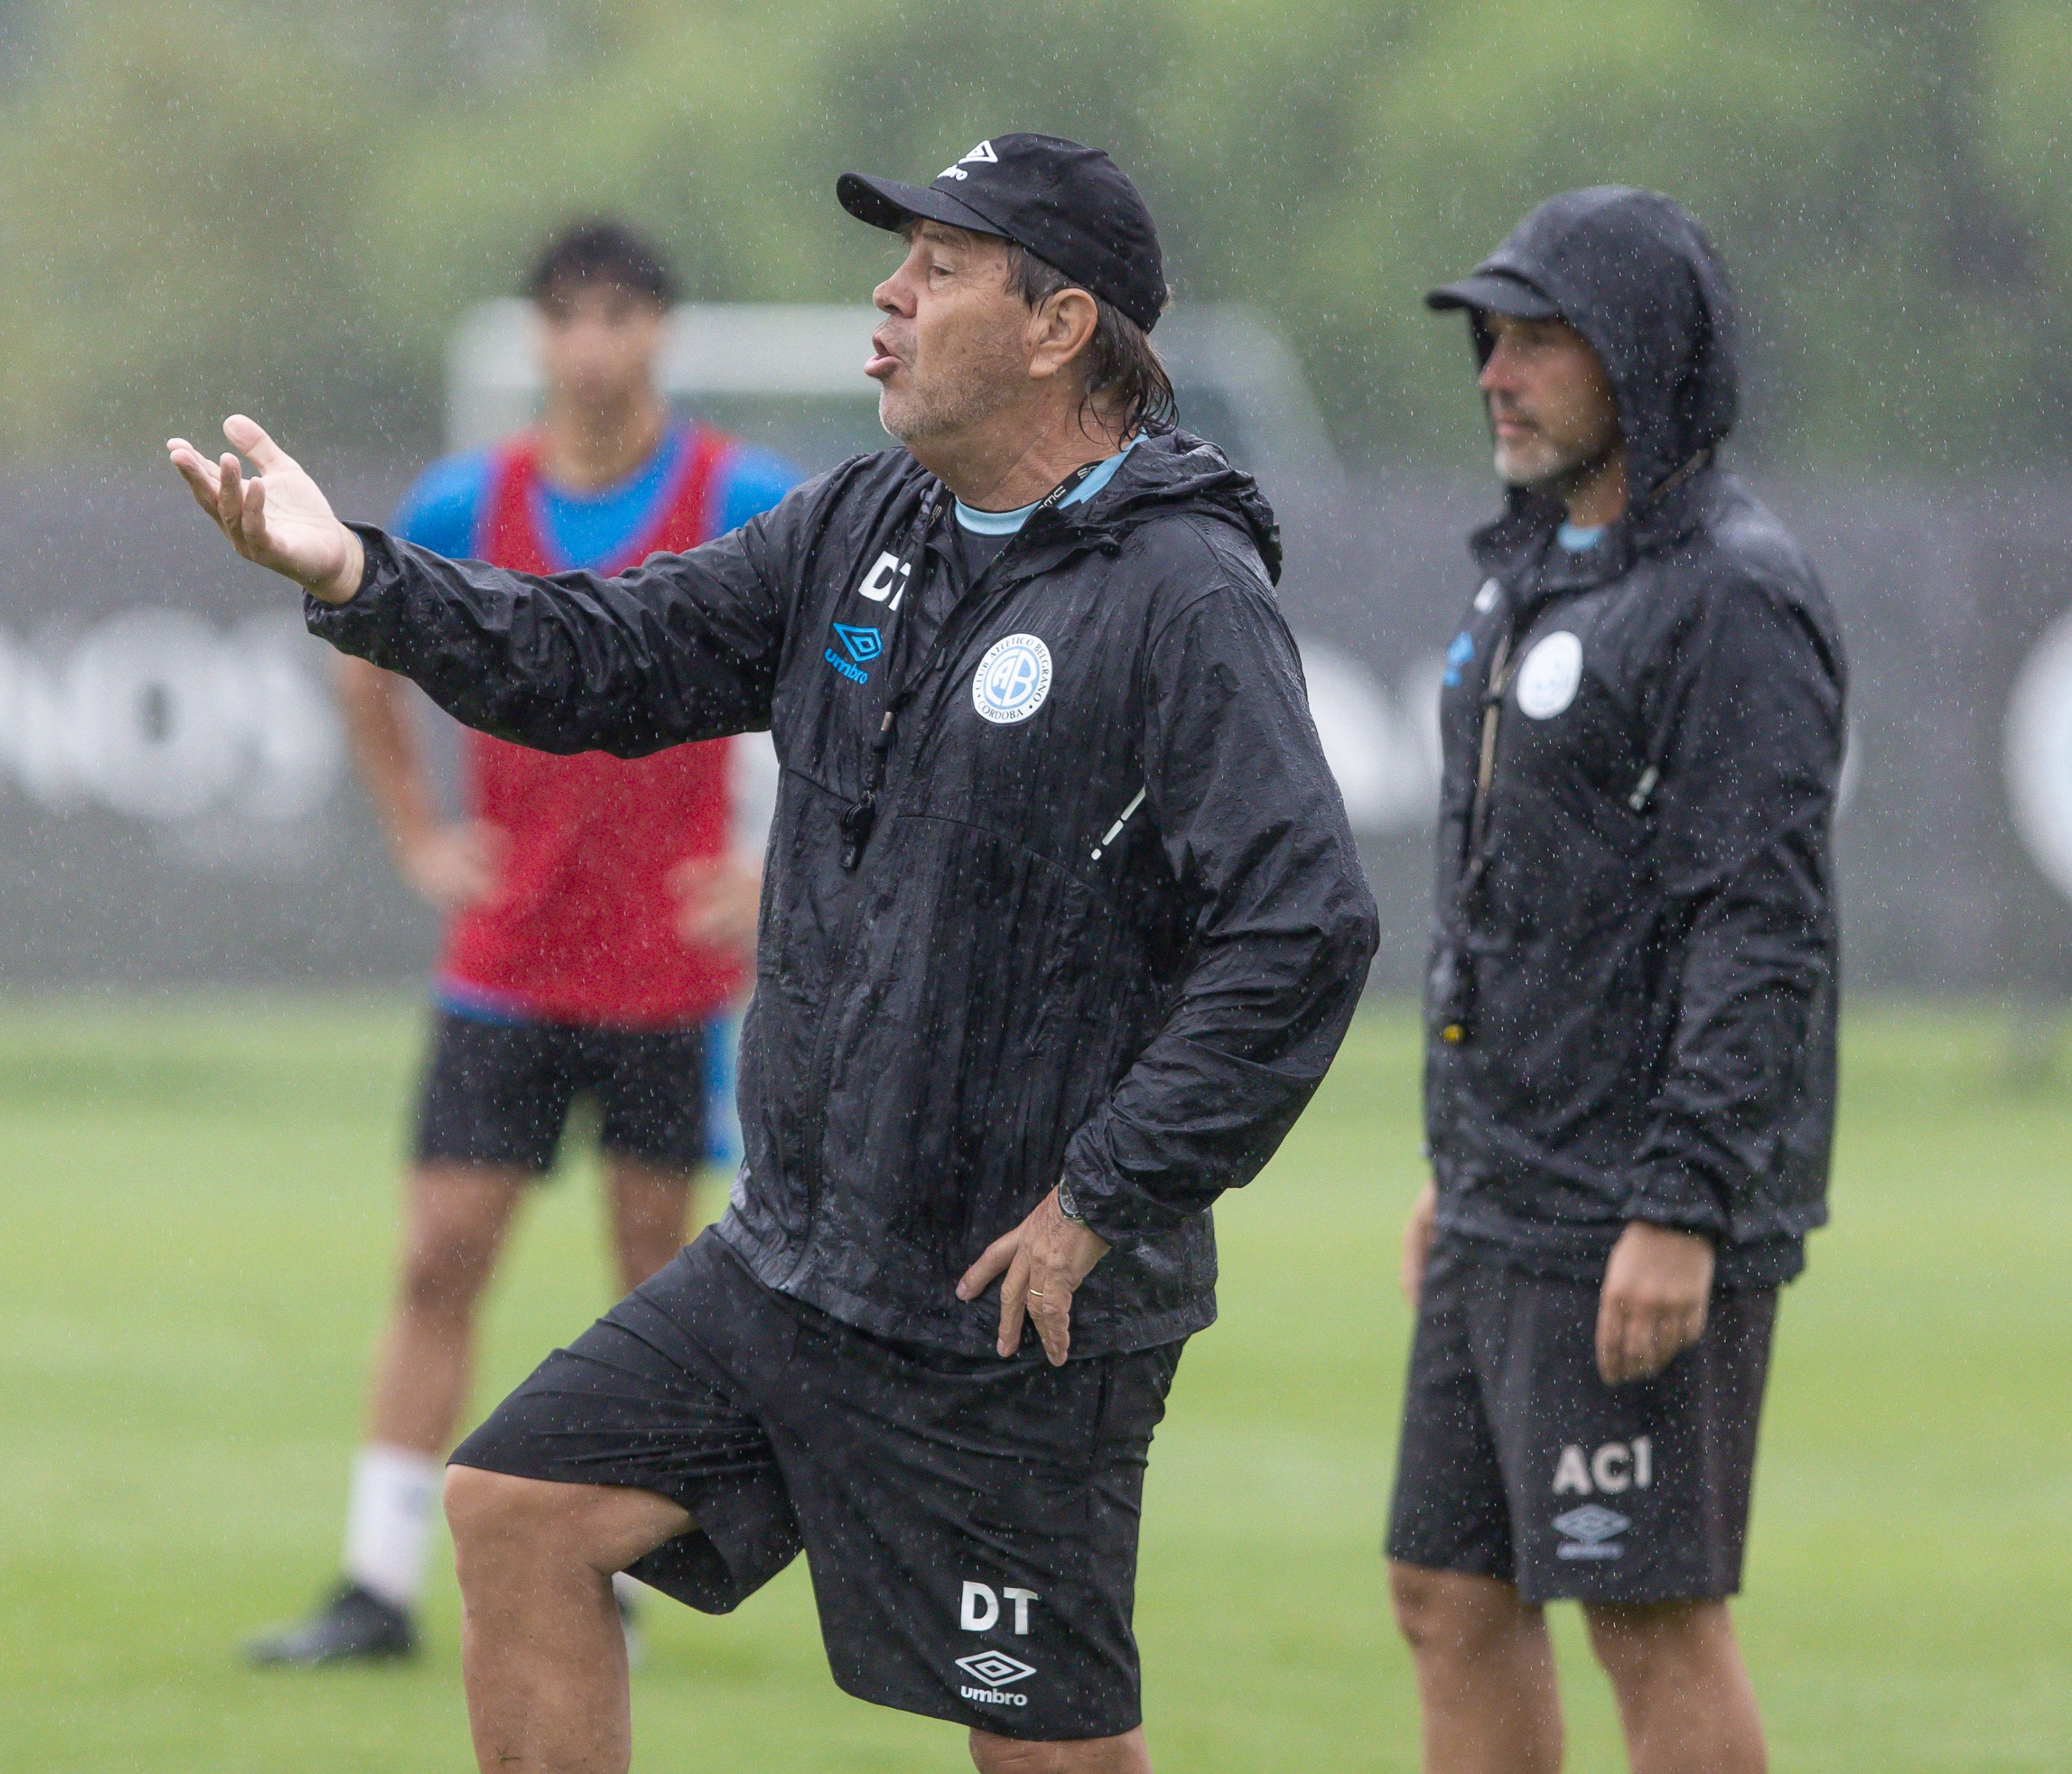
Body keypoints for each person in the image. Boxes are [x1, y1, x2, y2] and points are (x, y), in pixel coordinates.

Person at [171, 132, 1379, 1774]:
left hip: (1008, 1308)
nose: (884, 298)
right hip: (802, 1261)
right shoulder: (865, 523)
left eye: (938, 267)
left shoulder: (1179, 592)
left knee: (1042, 1750)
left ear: (1057, 326)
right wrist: (360, 578)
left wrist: (1104, 1196)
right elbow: (606, 655)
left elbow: (1300, 928)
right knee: (517, 1511)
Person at [245, 219, 803, 1667]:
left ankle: (603, 1569)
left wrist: (772, 864)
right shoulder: (460, 499)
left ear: (660, 334)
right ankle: (376, 1582)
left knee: (650, 1276)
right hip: (508, 961)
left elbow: (839, 682)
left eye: (623, 314)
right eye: (572, 316)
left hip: (669, 972)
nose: (597, 344)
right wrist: (417, 834)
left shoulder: (740, 496)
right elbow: (358, 642)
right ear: (539, 337)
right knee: (440, 1256)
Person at [1388, 188, 1846, 1774]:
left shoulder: (1731, 594)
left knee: (1648, 1618)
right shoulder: (1528, 567)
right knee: (1445, 1591)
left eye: (1536, 343)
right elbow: (1516, 904)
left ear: (1643, 358)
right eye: (1486, 342)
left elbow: (1756, 927)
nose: (1493, 375)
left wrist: (1681, 1204)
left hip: (1633, 1199)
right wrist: (1459, 1167)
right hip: (1505, 1187)